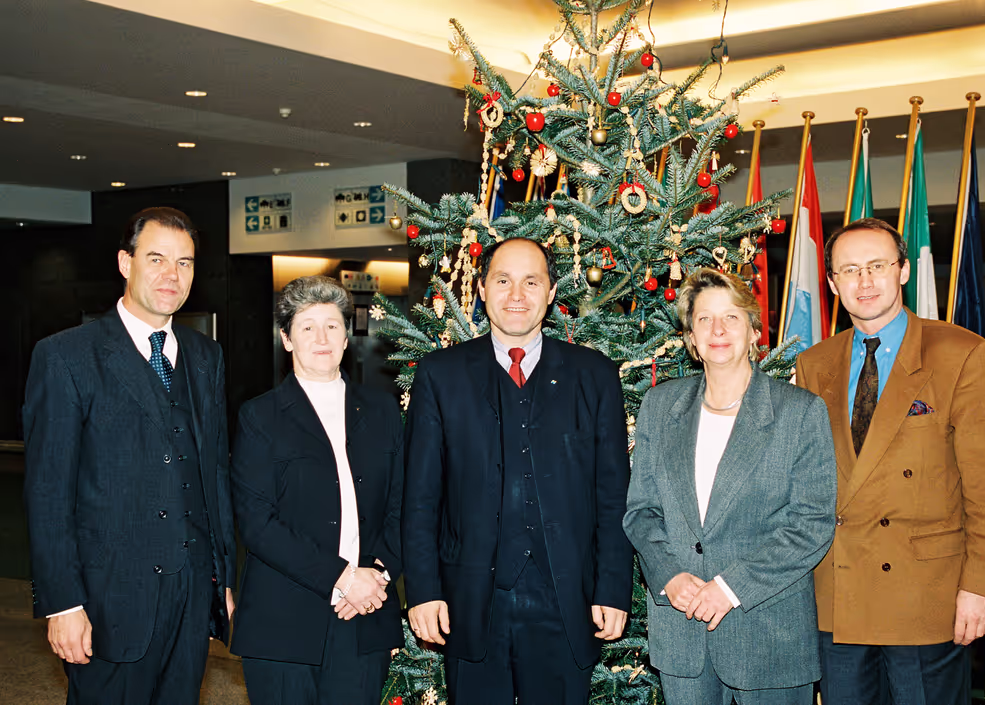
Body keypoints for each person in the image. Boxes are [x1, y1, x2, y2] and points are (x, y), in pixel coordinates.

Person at [403, 238, 633, 704]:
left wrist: (613, 588)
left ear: (551, 293)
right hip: (471, 602)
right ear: (482, 290)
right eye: (503, 281)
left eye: (532, 282)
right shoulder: (439, 375)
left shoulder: (594, 376)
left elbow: (613, 495)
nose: (516, 295)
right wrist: (424, 591)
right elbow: (421, 497)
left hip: (566, 602)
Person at [23, 207, 236, 704]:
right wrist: (63, 604)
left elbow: (214, 475)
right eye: (157, 259)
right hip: (108, 600)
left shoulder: (206, 358)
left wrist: (220, 581)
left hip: (190, 597)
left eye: (184, 263)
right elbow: (48, 491)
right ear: (125, 263)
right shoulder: (67, 356)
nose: (172, 275)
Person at [796, 217, 985, 705]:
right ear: (831, 284)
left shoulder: (961, 353)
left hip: (926, 594)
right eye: (849, 270)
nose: (864, 282)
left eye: (877, 266)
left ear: (903, 271)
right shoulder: (814, 364)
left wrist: (981, 585)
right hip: (838, 594)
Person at [624, 268, 837, 705]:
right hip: (682, 636)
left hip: (769, 634)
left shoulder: (799, 412)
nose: (717, 330)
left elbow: (812, 523)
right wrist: (669, 576)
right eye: (704, 319)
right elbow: (641, 511)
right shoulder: (660, 406)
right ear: (691, 338)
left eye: (731, 317)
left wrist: (730, 587)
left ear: (754, 332)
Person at [229, 275, 403, 704]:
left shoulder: (383, 411)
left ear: (347, 336)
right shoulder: (259, 417)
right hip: (283, 619)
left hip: (365, 610)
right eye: (307, 327)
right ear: (287, 339)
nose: (321, 337)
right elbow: (256, 523)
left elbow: (408, 507)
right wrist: (343, 578)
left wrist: (376, 578)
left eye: (332, 325)